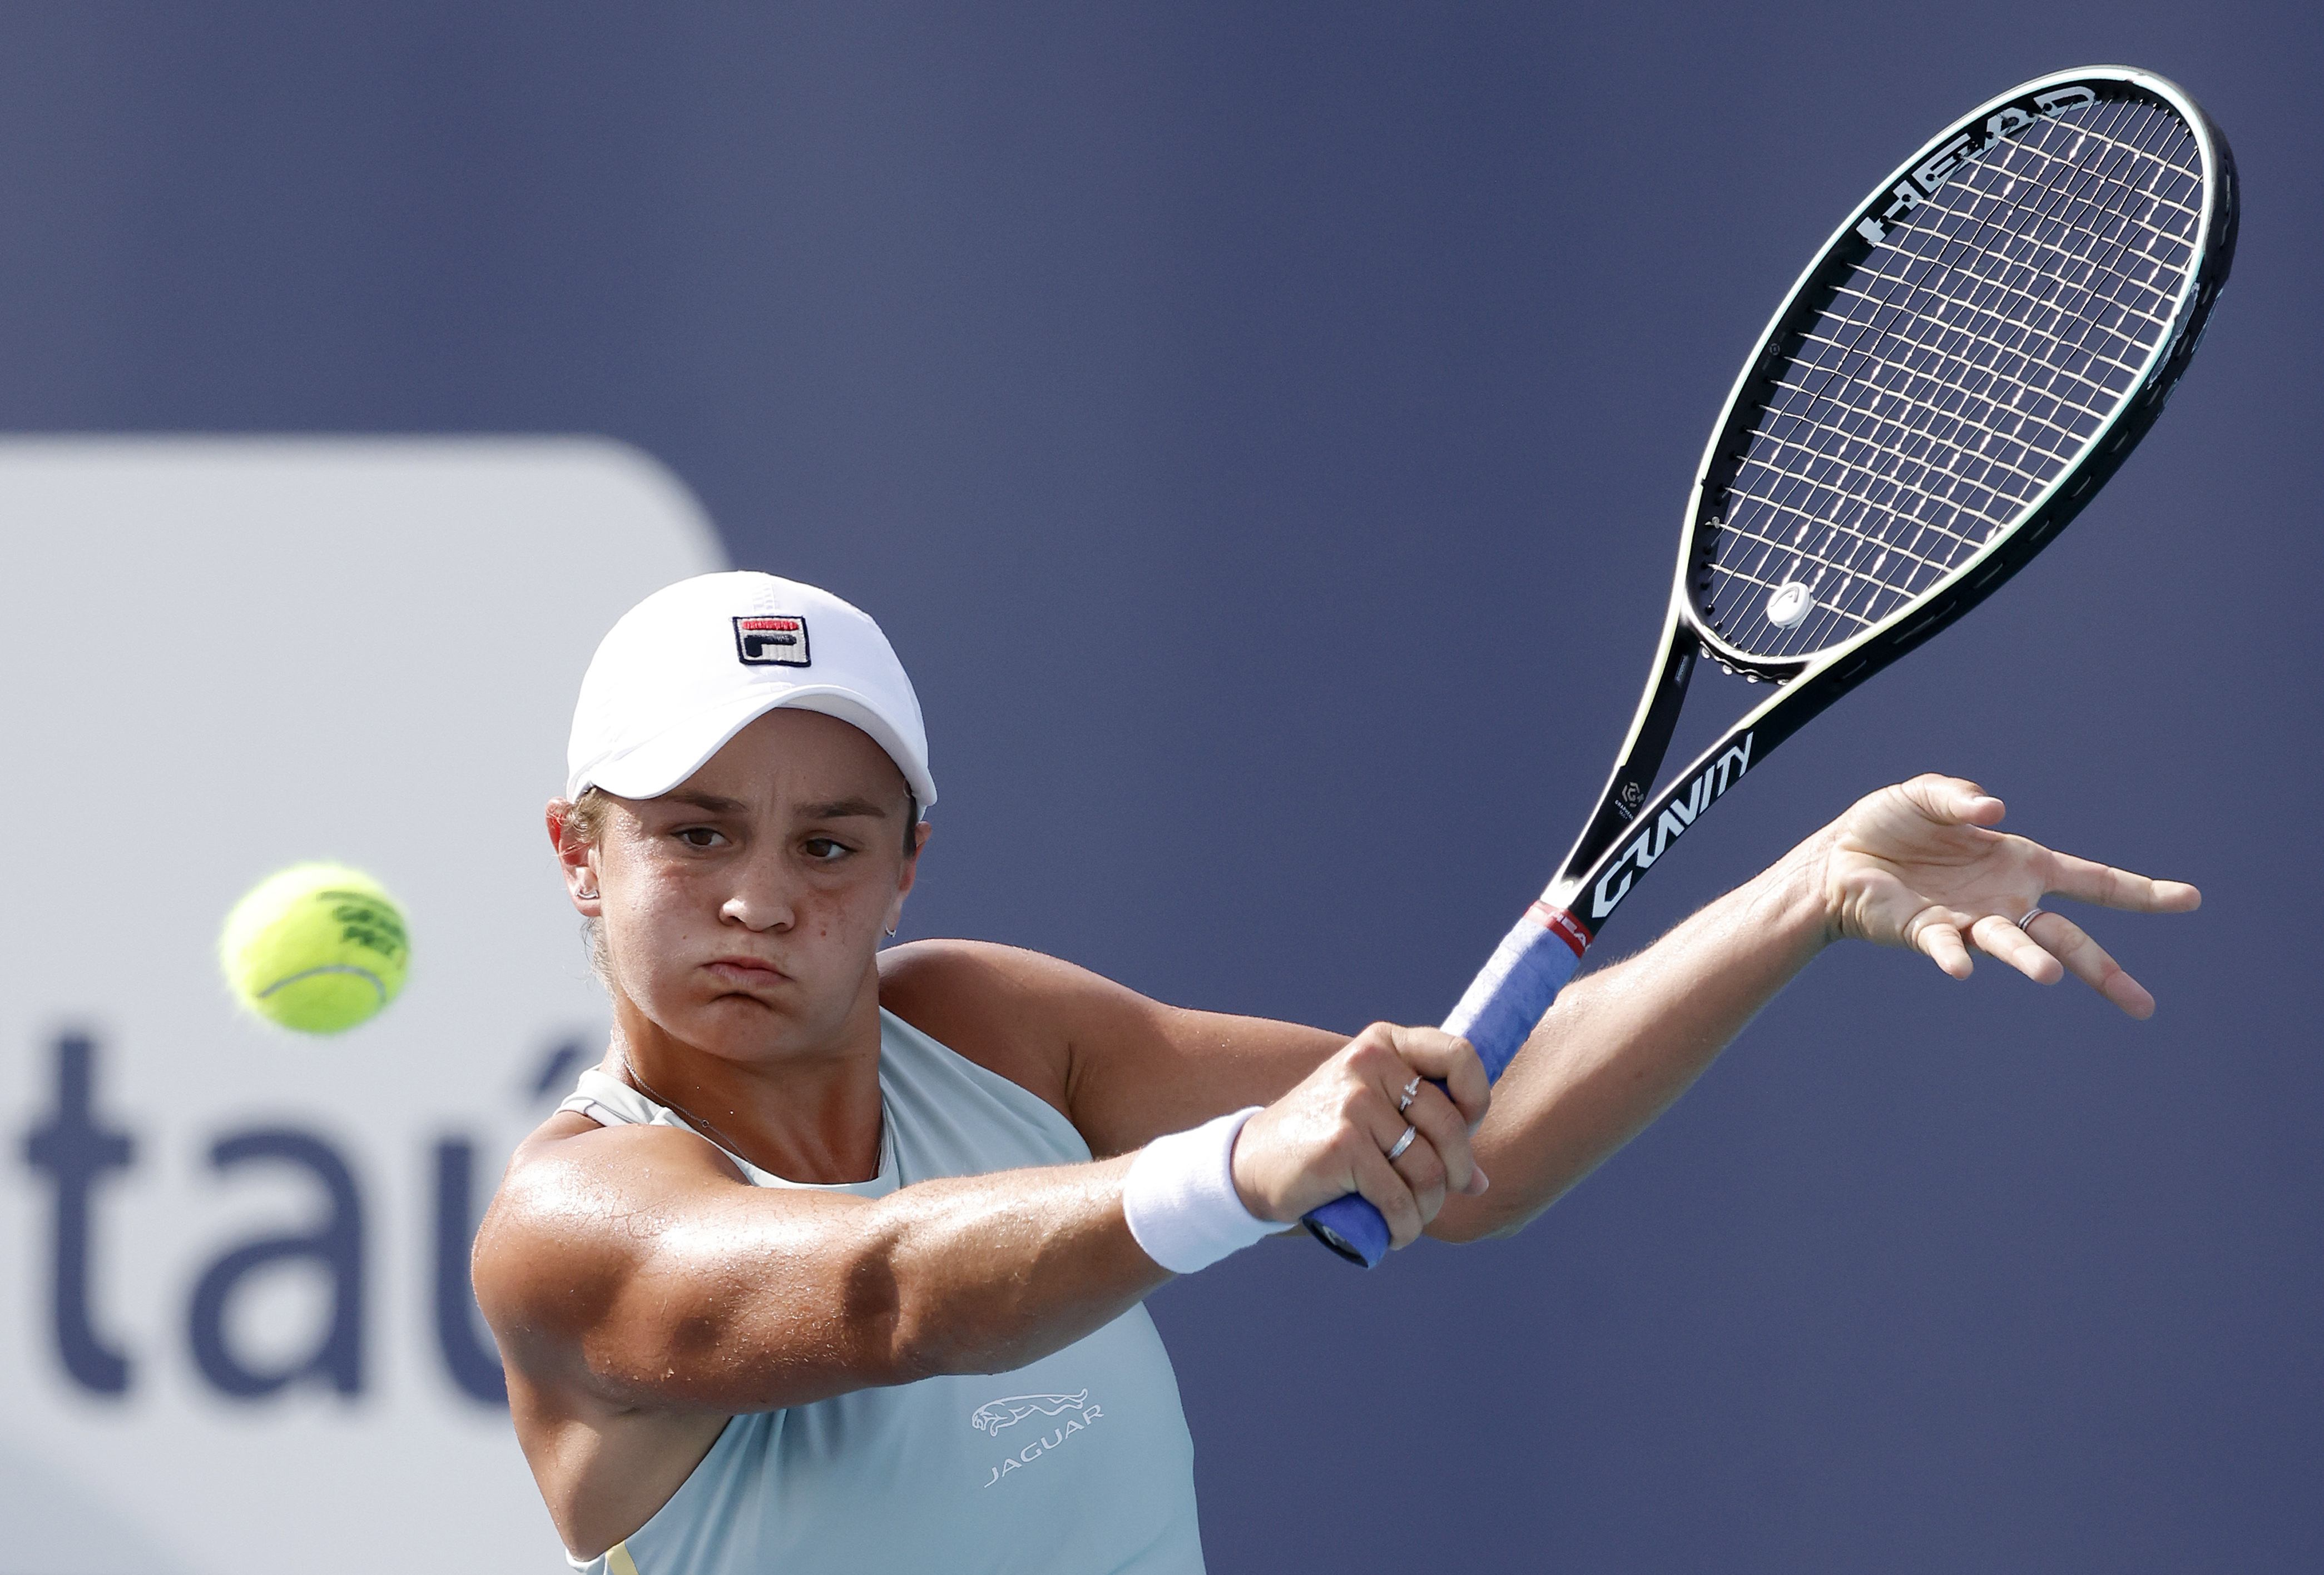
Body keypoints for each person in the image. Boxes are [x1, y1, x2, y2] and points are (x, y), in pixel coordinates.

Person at [474, 570, 2197, 1574]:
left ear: (908, 865)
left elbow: (1478, 1141)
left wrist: (1802, 890)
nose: (763, 896)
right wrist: (1235, 1168)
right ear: (578, 851)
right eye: (694, 833)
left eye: (828, 844)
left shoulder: (990, 1024)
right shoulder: (572, 1220)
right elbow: (892, 1288)